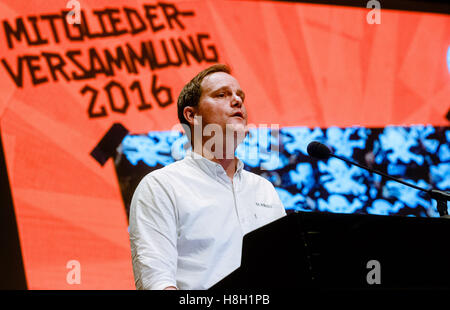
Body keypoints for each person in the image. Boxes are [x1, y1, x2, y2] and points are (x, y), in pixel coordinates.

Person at [129, 64, 286, 290]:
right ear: (191, 115)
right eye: (222, 95)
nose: (237, 101)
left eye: (239, 95)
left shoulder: (264, 190)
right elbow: (157, 282)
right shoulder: (161, 187)